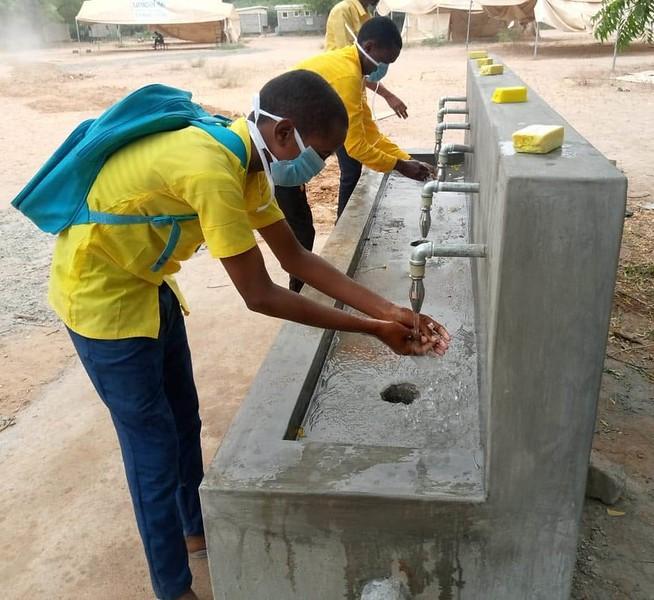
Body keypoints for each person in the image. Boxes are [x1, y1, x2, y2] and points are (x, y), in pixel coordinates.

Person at [46, 70, 450, 600]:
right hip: (101, 300)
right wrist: (373, 329)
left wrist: (389, 309)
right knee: (151, 449)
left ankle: (195, 531)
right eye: (320, 153)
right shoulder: (212, 168)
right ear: (284, 133)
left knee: (182, 418)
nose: (319, 167)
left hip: (147, 287)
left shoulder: (247, 162)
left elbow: (296, 256)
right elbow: (259, 294)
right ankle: (173, 589)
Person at [275, 17, 433, 292]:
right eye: (384, 61)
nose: (384, 69)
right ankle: (299, 296)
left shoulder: (354, 70)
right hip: (277, 146)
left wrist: (405, 158)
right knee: (300, 230)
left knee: (301, 228)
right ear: (369, 46)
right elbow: (356, 147)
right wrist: (399, 166)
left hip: (294, 142)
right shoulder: (347, 76)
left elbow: (368, 131)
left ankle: (301, 287)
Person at [325, 0, 408, 119]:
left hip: (355, 87)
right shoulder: (343, 11)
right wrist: (387, 95)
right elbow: (349, 66)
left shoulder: (366, 15)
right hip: (340, 89)